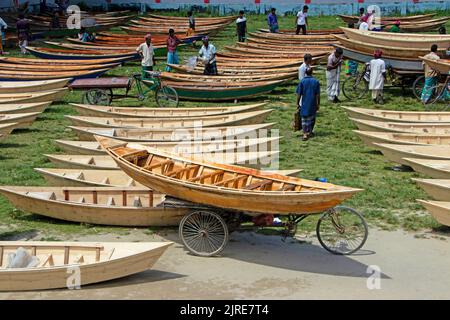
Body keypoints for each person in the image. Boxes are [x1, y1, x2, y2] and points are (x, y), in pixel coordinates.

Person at [296, 67, 320, 141]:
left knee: (304, 119)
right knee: (312, 118)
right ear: (312, 72)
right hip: (313, 103)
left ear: (305, 73)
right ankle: (309, 131)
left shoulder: (302, 81)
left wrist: (297, 103)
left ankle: (305, 133)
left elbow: (299, 94)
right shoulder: (316, 81)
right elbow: (318, 95)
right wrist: (318, 104)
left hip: (304, 103)